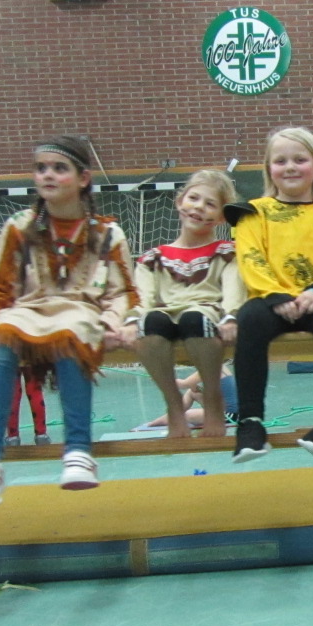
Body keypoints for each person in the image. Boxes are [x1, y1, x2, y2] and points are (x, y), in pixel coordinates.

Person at [0, 136, 136, 509]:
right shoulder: (19, 227)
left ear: (83, 178)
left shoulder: (107, 233)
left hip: (80, 309)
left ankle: (78, 452)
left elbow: (124, 292)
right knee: (2, 334)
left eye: (59, 168)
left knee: (74, 331)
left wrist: (113, 322)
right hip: (29, 308)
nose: (48, 175)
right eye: (41, 168)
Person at [226, 127, 313, 462]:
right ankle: (250, 421)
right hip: (271, 301)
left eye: (300, 160)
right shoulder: (253, 213)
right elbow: (250, 257)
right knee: (250, 318)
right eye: (280, 161)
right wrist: (275, 295)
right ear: (269, 169)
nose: (290, 167)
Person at [121, 168, 243, 440]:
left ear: (221, 217)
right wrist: (131, 320)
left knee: (194, 319)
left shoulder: (226, 253)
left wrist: (231, 316)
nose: (199, 207)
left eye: (210, 204)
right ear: (180, 202)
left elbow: (233, 289)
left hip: (204, 312)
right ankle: (173, 402)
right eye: (194, 198)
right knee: (150, 323)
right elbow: (142, 297)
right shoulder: (154, 258)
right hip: (164, 315)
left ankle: (212, 397)